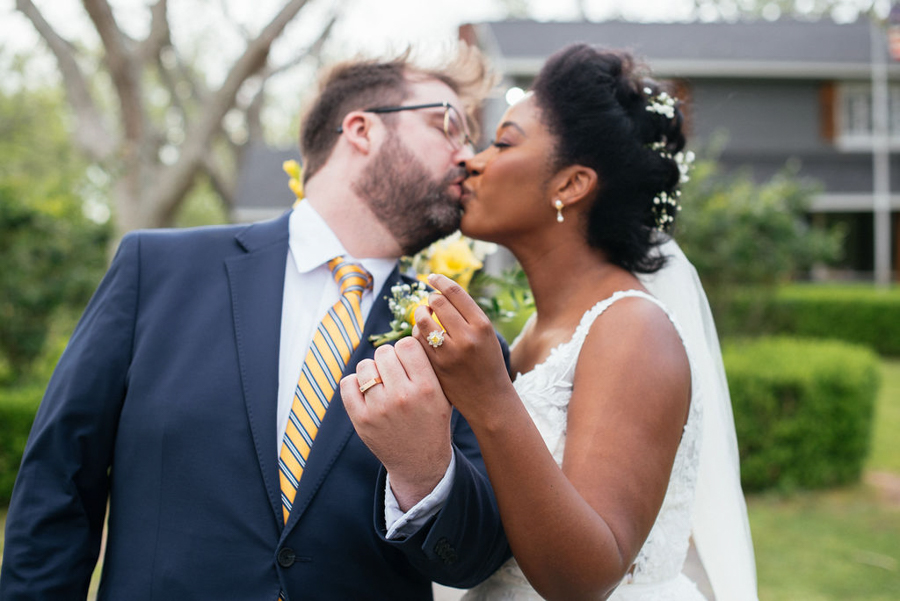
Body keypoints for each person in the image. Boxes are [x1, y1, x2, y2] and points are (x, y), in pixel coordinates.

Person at [0, 48, 510, 600]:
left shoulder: (462, 340)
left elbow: (477, 557)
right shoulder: (156, 270)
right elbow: (58, 485)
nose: (469, 156)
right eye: (449, 125)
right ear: (362, 129)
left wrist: (423, 473)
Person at [350, 43, 758, 600]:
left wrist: (490, 396)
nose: (473, 158)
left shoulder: (634, 331)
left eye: (504, 142)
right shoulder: (532, 334)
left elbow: (586, 577)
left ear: (570, 185)